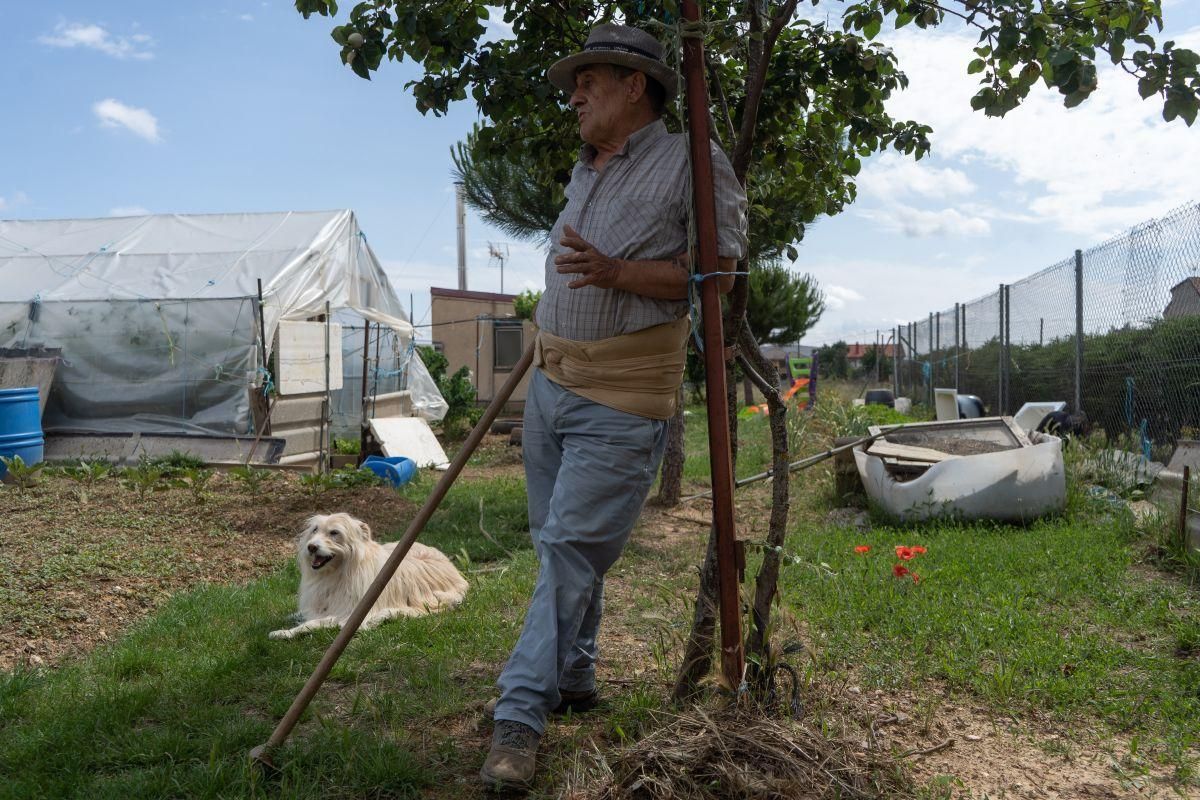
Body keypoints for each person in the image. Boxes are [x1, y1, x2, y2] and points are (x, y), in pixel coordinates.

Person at [480, 23, 749, 791]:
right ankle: (574, 679)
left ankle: (518, 719)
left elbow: (716, 281)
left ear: (636, 86)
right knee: (554, 544)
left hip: (624, 397)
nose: (574, 95)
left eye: (588, 80)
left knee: (569, 550)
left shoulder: (694, 163)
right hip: (551, 386)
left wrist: (617, 272)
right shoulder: (586, 168)